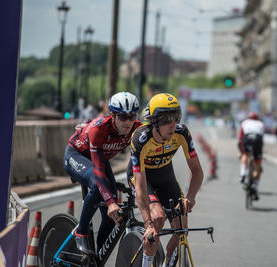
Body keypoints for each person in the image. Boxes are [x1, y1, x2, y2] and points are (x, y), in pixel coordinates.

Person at [127, 93, 203, 267]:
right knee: (158, 218)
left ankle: (166, 264)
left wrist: (190, 198)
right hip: (143, 178)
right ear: (154, 121)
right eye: (167, 120)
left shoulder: (181, 133)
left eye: (176, 118)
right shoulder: (141, 139)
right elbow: (140, 186)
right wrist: (148, 223)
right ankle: (147, 262)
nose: (173, 125)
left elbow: (197, 172)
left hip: (165, 175)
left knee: (181, 229)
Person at [63, 92, 142, 254]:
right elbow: (98, 172)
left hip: (100, 158)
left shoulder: (137, 129)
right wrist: (110, 201)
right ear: (112, 115)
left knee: (112, 216)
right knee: (99, 187)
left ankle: (99, 257)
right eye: (122, 117)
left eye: (132, 116)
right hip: (77, 155)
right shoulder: (98, 129)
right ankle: (81, 231)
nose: (128, 122)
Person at [238, 112, 265, 200]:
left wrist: (241, 152)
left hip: (247, 138)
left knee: (245, 154)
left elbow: (240, 138)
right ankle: (255, 186)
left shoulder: (245, 122)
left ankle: (243, 173)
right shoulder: (261, 123)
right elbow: (262, 137)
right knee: (258, 164)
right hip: (257, 140)